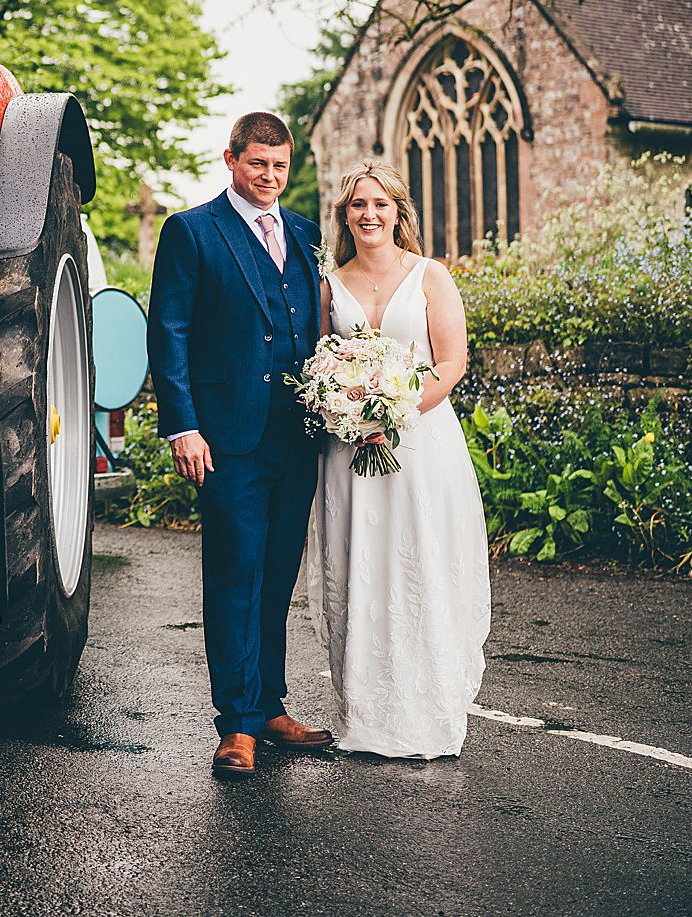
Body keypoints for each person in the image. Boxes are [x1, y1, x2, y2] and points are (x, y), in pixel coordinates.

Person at [147, 111, 335, 777]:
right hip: (225, 437)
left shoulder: (306, 233)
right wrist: (182, 424)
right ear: (231, 158)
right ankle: (235, 726)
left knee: (278, 573)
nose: (270, 177)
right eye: (258, 163)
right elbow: (168, 330)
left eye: (280, 166)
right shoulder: (192, 231)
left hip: (298, 436)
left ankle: (269, 705)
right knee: (235, 575)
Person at [311, 162, 491, 758]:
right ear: (345, 216)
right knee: (362, 568)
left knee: (421, 567)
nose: (369, 214)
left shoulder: (430, 275)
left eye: (380, 204)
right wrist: (348, 412)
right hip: (350, 452)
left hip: (420, 446)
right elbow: (321, 364)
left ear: (398, 213)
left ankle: (429, 712)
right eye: (358, 204)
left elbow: (452, 362)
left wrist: (394, 413)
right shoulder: (330, 286)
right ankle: (365, 715)